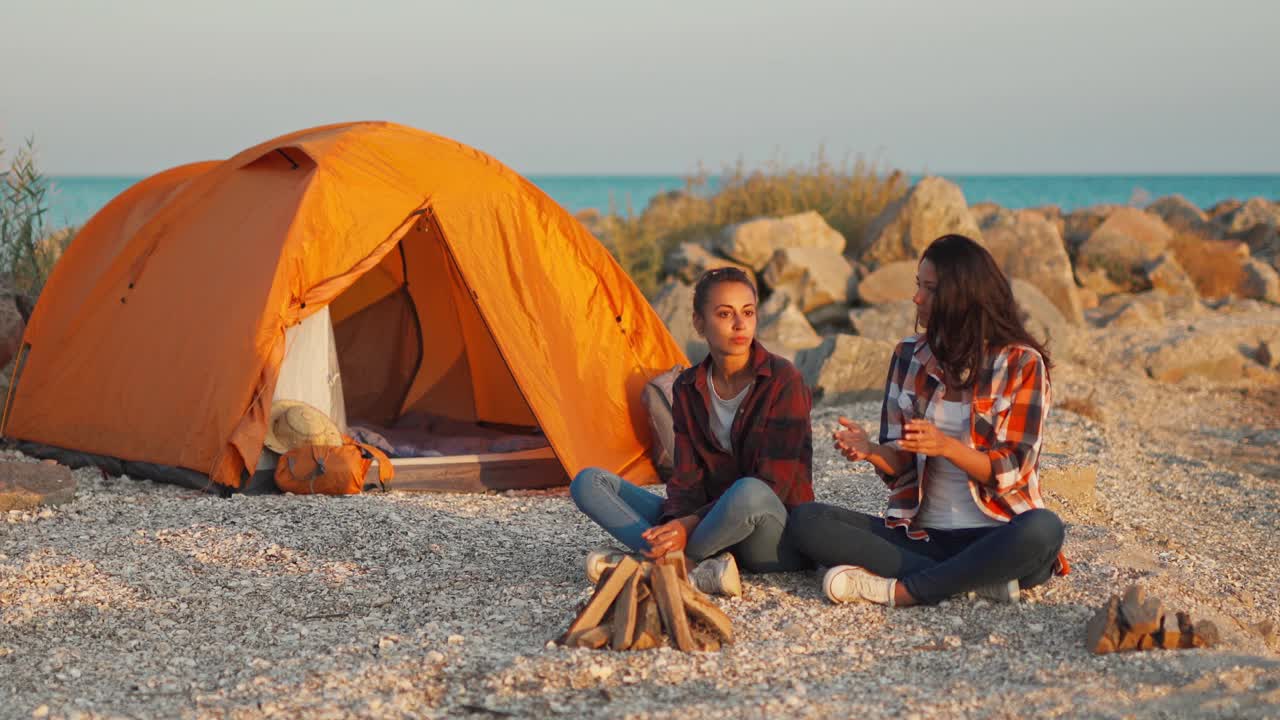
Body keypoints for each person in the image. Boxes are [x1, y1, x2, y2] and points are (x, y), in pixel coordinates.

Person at [787, 234, 1068, 607]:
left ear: (965, 297)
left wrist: (946, 447)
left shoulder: (1021, 363)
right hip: (923, 536)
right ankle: (973, 580)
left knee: (1044, 529)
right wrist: (871, 450)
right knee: (807, 520)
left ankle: (904, 590)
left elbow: (1013, 469)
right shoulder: (908, 356)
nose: (917, 298)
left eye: (931, 290)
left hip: (998, 531)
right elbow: (901, 465)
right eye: (919, 286)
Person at [570, 267, 814, 596]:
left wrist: (687, 525)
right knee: (588, 482)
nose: (740, 325)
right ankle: (685, 565)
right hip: (706, 525)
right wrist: (676, 522)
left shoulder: (784, 381)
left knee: (749, 491)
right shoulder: (687, 386)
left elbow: (775, 483)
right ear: (699, 323)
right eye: (725, 314)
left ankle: (659, 564)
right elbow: (685, 480)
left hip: (768, 534)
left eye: (748, 312)